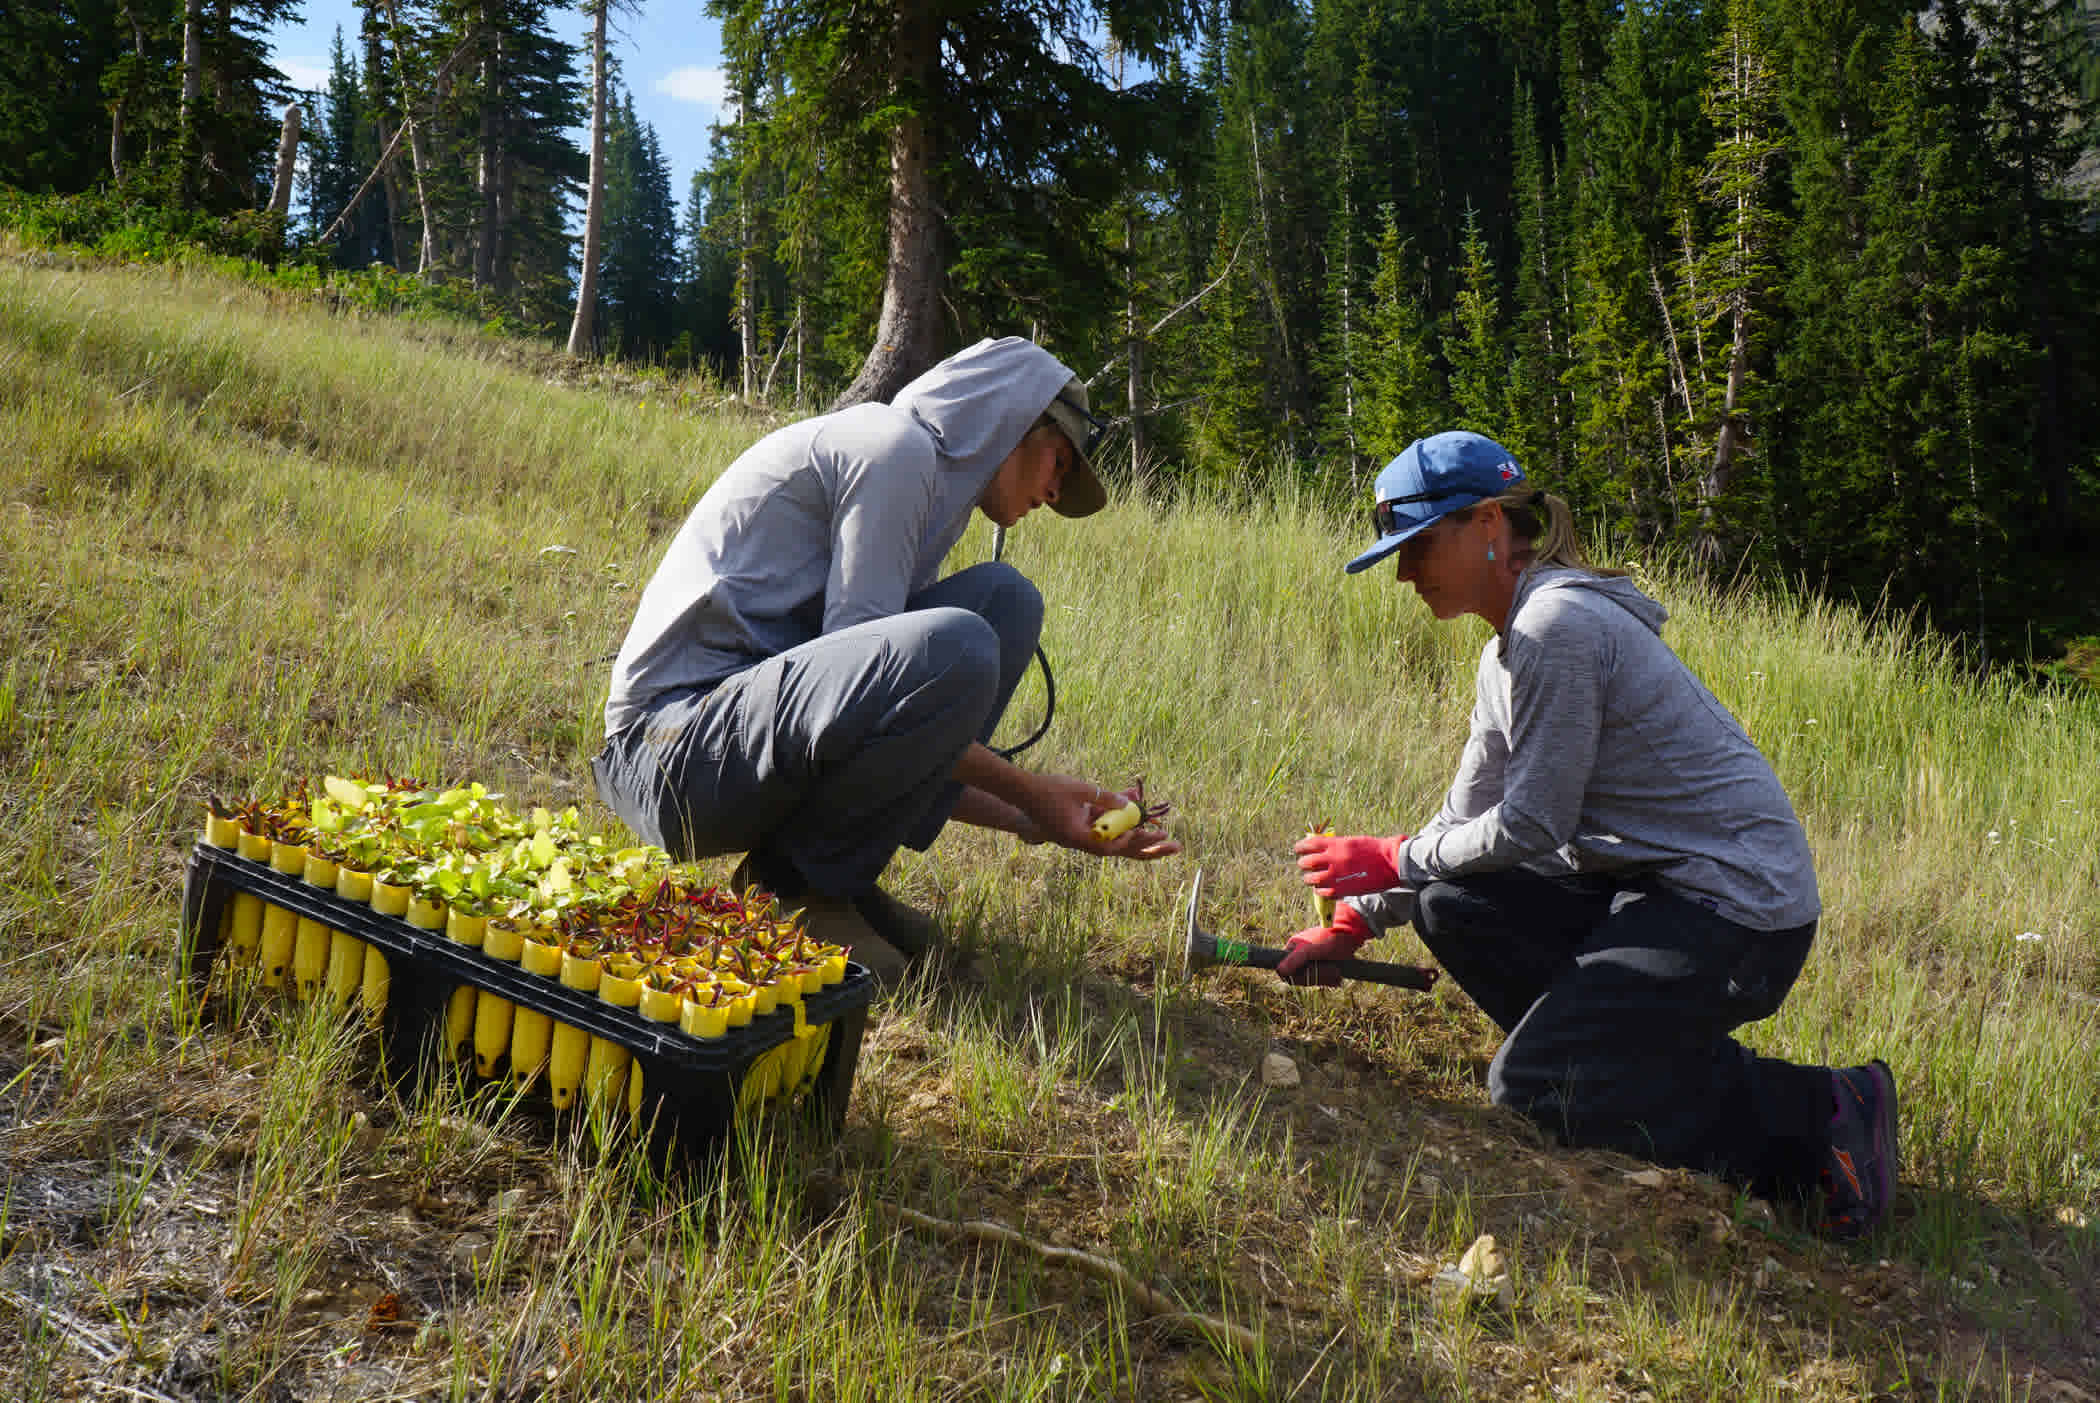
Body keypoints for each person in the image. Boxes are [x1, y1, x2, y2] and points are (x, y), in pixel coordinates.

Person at [1280, 430, 1898, 1239]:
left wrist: (1389, 857)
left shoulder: (1556, 629)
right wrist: (1362, 918)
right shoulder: (1507, 652)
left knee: (1530, 1088)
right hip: (1656, 892)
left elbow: (1535, 824)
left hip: (1743, 910)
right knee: (1444, 902)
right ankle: (1598, 1057)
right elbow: (1465, 823)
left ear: (1489, 524)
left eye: (1419, 545)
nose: (1404, 573)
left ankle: (1824, 1113)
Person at [590, 336, 1179, 987]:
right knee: (961, 643)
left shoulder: (923, 487)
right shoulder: (895, 452)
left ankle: (830, 878)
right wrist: (1034, 795)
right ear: (1011, 418)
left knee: (1004, 604)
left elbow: (880, 727)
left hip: (723, 738)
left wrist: (1029, 815)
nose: (1053, 490)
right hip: (664, 751)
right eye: (1059, 461)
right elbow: (862, 705)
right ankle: (796, 890)